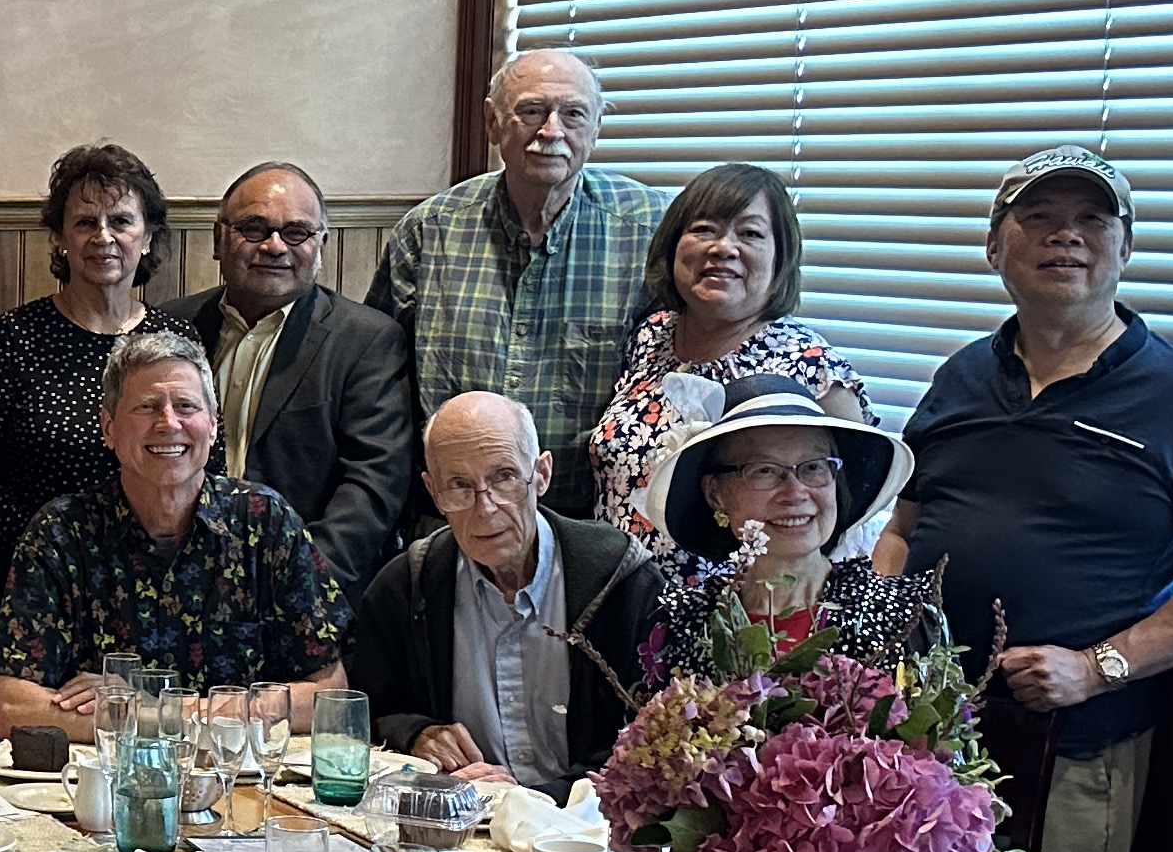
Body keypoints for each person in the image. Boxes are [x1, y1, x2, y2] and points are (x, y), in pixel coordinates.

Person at [877, 148, 1173, 852]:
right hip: (926, 733)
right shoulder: (961, 377)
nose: (1066, 237)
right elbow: (903, 528)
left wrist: (1099, 667)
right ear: (995, 247)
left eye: (1092, 220)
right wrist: (873, 641)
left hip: (1072, 744)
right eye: (1039, 218)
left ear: (1124, 248)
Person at [0, 331, 351, 739]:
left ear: (212, 427)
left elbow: (328, 693)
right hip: (103, 776)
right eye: (146, 407)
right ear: (108, 428)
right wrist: (232, 710)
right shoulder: (59, 533)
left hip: (239, 771)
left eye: (186, 406)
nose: (169, 423)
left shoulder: (266, 522)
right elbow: (12, 707)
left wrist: (141, 708)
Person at [370, 49, 658, 500]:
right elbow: (380, 382)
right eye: (532, 111)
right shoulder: (429, 231)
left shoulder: (649, 232)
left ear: (596, 128)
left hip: (589, 518)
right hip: (454, 512)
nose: (552, 131)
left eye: (574, 114)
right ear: (492, 121)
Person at [349, 392, 660, 789]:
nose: (485, 508)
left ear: (542, 474)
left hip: (586, 819)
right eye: (459, 486)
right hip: (467, 817)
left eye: (505, 477)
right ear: (433, 492)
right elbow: (368, 708)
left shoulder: (623, 581)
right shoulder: (405, 588)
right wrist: (416, 733)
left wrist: (533, 799)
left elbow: (654, 743)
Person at [0, 142, 182, 661]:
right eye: (84, 222)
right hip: (25, 579)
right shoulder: (19, 335)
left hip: (145, 582)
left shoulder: (173, 341)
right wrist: (44, 548)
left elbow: (204, 461)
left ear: (147, 237)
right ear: (60, 238)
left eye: (121, 221)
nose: (103, 236)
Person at [586, 163, 878, 553]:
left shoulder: (811, 367)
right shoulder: (650, 336)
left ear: (780, 257)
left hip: (740, 593)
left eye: (750, 233)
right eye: (704, 229)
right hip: (618, 582)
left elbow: (845, 522)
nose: (723, 248)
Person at [174, 158, 418, 602]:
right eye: (254, 229)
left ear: (321, 244)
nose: (274, 246)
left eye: (296, 233)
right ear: (218, 238)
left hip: (304, 593)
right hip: (177, 583)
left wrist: (297, 583)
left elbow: (373, 484)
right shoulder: (173, 328)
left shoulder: (366, 342)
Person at [639, 387, 936, 671]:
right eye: (764, 470)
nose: (795, 493)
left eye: (813, 467)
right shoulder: (681, 626)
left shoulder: (902, 615)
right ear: (715, 493)